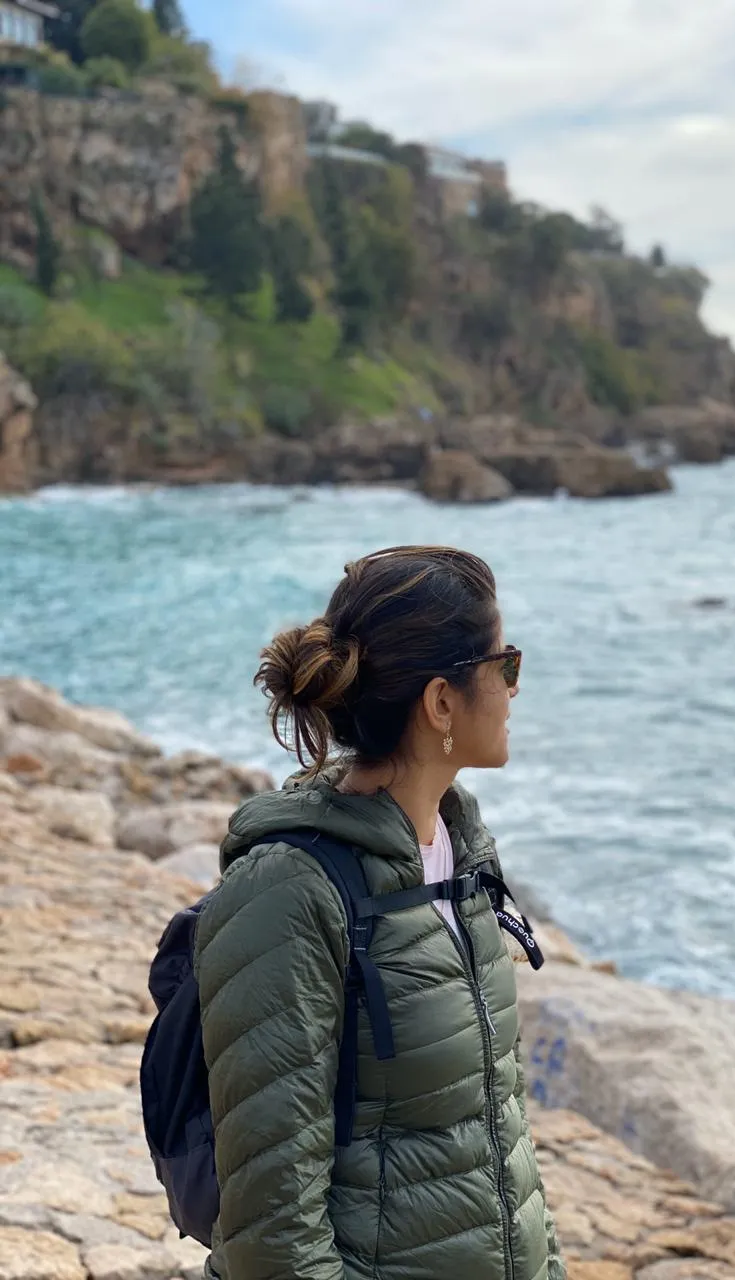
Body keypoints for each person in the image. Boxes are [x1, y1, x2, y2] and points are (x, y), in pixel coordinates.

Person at [194, 545, 566, 1280]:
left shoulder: (460, 854)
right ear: (440, 703)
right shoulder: (291, 889)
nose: (517, 690)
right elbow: (272, 1227)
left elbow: (500, 1129)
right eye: (507, 665)